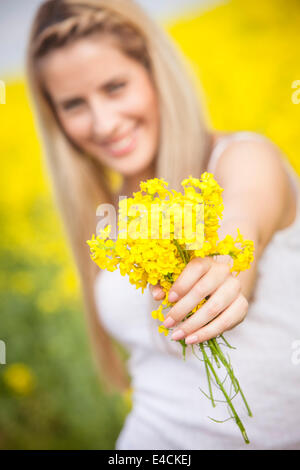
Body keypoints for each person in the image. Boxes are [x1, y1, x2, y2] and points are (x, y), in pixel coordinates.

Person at [26, 0, 300, 450]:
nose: (104, 123)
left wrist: (222, 269)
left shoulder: (245, 159)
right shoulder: (105, 214)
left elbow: (239, 227)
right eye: (73, 104)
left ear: (156, 71)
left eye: (115, 87)